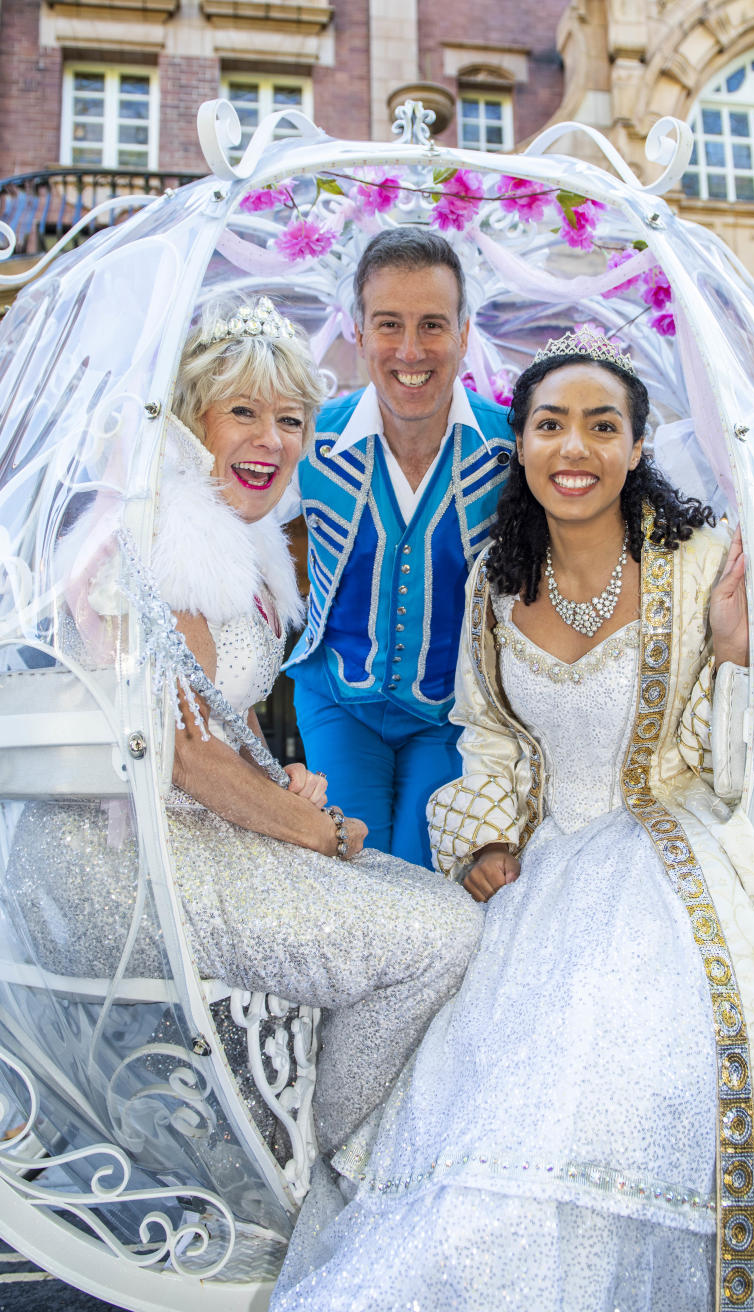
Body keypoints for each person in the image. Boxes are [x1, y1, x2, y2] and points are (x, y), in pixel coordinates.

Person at [267, 328, 754, 1312]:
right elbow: (489, 735)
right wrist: (483, 839)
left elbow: (727, 767)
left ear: (639, 443)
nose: (576, 446)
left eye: (603, 424)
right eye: (551, 423)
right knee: (488, 1109)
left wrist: (737, 648)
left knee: (596, 1096)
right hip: (550, 869)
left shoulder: (701, 560)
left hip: (674, 857)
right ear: (521, 442)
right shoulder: (500, 586)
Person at [5, 290, 482, 1157]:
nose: (272, 440)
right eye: (245, 414)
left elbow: (217, 729)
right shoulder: (166, 538)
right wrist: (317, 829)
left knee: (429, 897)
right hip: (118, 864)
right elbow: (181, 755)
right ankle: (332, 1162)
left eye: (292, 420)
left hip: (194, 836)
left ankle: (297, 1131)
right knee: (437, 934)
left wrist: (280, 780)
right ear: (193, 422)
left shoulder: (245, 542)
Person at [287, 227, 515, 868]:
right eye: (389, 324)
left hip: (454, 713)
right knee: (350, 869)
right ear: (358, 332)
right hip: (339, 701)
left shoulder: (513, 448)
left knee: (423, 873)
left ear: (464, 335)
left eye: (432, 325)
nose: (410, 350)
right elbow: (218, 502)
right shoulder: (305, 439)